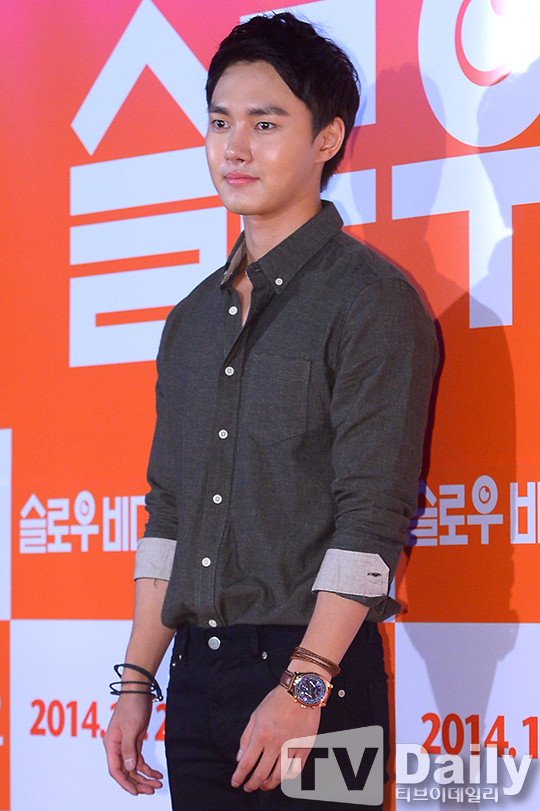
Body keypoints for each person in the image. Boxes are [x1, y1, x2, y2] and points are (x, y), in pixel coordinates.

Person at [103, 11, 438, 810]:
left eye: (265, 123)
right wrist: (137, 678)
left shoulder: (371, 301)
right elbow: (170, 513)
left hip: (324, 682)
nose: (235, 148)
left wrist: (305, 685)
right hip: (197, 680)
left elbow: (372, 516)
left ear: (328, 138)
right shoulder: (191, 320)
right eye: (220, 122)